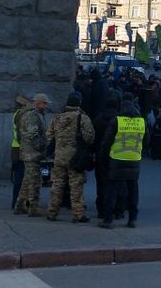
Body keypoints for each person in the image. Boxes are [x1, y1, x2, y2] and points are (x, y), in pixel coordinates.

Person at [99, 95, 148, 229]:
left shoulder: (117, 121)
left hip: (117, 159)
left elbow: (107, 141)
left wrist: (103, 157)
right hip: (134, 159)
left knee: (112, 190)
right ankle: (132, 219)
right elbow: (147, 140)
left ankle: (108, 220)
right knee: (133, 190)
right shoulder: (141, 122)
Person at [45, 92, 95, 223]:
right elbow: (89, 138)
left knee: (57, 185)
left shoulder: (57, 118)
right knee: (76, 187)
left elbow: (49, 135)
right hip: (75, 158)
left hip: (59, 157)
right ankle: (78, 215)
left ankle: (51, 212)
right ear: (79, 103)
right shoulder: (82, 118)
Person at [14, 93, 50, 216]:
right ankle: (33, 208)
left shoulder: (32, 114)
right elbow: (32, 135)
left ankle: (20, 205)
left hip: (29, 152)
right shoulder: (33, 115)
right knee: (35, 181)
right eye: (45, 103)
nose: (46, 106)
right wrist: (42, 146)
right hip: (32, 153)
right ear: (39, 102)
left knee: (27, 180)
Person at [9, 95, 30, 210]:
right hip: (20, 150)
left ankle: (16, 202)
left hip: (16, 150)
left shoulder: (16, 114)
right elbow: (20, 134)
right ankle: (18, 202)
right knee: (20, 178)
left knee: (19, 177)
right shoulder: (20, 115)